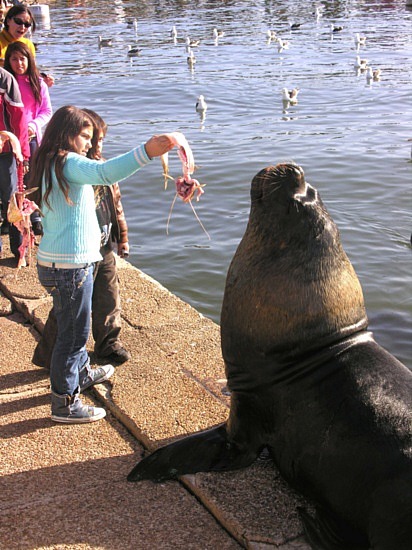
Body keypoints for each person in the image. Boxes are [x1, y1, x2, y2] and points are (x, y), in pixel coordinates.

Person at [29, 105, 175, 424]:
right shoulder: (67, 162)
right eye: (83, 136)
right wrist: (148, 150)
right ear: (66, 133)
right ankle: (64, 403)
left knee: (74, 329)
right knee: (73, 336)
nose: (87, 143)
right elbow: (106, 173)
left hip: (57, 261)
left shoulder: (47, 160)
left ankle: (79, 374)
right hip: (70, 267)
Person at [32, 109, 132, 368]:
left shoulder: (99, 167)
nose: (94, 145)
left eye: (98, 140)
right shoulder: (78, 168)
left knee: (109, 296)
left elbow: (116, 205)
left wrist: (122, 236)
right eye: (90, 139)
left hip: (104, 243)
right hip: (81, 251)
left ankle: (108, 343)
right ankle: (51, 356)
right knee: (71, 309)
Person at [4, 40, 52, 234]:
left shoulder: (38, 83)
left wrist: (33, 125)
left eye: (22, 59)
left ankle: (35, 216)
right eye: (14, 59)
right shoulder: (6, 82)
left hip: (30, 137)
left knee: (32, 177)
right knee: (10, 178)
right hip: (9, 137)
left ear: (29, 60)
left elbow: (46, 111)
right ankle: (10, 216)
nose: (19, 63)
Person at [0, 65, 29, 257]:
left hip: (6, 152)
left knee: (12, 201)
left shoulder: (5, 79)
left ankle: (18, 251)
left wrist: (23, 155)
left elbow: (19, 120)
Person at [0, 5, 54, 87]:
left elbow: (32, 72)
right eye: (18, 21)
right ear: (8, 21)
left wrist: (42, 81)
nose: (22, 27)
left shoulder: (28, 45)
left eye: (27, 24)